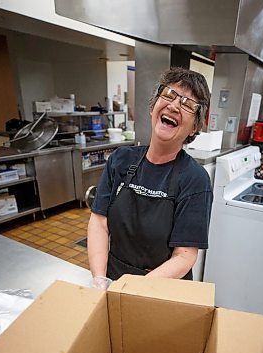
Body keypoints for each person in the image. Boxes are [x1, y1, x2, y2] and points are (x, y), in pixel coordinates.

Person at [88, 67, 213, 287]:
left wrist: (133, 289)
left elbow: (184, 256)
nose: (174, 105)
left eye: (187, 104)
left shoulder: (195, 179)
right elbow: (99, 222)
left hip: (162, 289)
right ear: (153, 106)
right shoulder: (120, 160)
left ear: (194, 127)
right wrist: (99, 278)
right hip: (113, 281)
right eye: (169, 95)